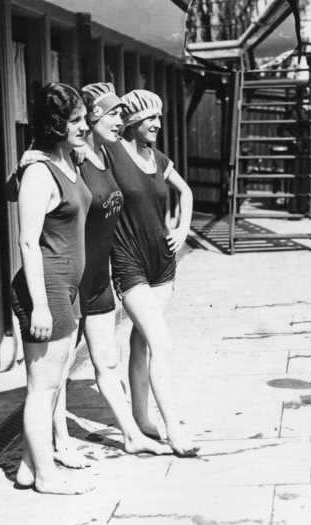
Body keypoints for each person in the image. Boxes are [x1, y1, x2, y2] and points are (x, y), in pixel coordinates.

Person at [49, 83, 172, 462]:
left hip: (99, 275)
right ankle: (59, 440)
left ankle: (132, 435)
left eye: (121, 113)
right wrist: (32, 158)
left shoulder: (107, 155)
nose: (120, 120)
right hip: (69, 276)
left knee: (107, 361)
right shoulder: (77, 156)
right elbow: (25, 182)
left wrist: (172, 227)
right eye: (113, 114)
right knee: (58, 367)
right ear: (93, 118)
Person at [104, 89, 199, 457]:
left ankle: (142, 418)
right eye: (150, 119)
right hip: (128, 260)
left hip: (163, 260)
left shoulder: (157, 158)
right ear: (131, 121)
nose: (157, 124)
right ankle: (174, 428)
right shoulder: (111, 153)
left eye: (159, 118)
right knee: (161, 342)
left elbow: (185, 193)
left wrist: (181, 229)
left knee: (142, 340)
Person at [10, 82, 93, 494]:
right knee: (43, 388)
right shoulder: (40, 171)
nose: (85, 126)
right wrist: (40, 306)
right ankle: (46, 475)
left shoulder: (65, 161)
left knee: (50, 383)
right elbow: (28, 241)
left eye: (84, 117)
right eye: (76, 120)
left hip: (66, 285)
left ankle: (28, 465)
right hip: (48, 288)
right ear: (56, 125)